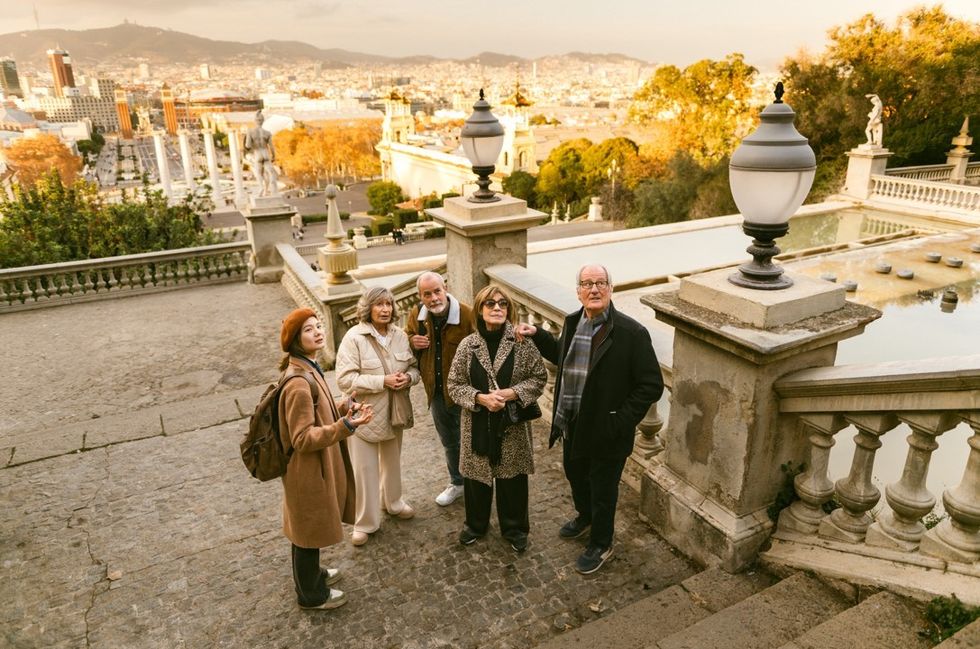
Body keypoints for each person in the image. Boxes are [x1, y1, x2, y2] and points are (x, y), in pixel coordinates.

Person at [517, 265, 663, 574]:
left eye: (600, 283)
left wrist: (619, 420)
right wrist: (538, 334)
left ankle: (602, 542)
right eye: (587, 284)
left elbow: (651, 384)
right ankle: (585, 517)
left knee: (603, 490)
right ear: (578, 291)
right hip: (572, 423)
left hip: (608, 430)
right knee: (575, 475)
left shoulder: (631, 333)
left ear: (611, 289)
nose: (593, 289)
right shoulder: (574, 322)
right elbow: (564, 357)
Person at [277, 307, 373, 610]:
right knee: (307, 531)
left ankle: (313, 576)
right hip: (306, 470)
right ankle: (310, 595)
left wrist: (344, 406)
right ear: (295, 340)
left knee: (308, 527)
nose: (318, 331)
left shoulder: (307, 368)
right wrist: (345, 427)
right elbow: (303, 438)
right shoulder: (298, 384)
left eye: (318, 326)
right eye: (308, 329)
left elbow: (318, 411)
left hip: (313, 467)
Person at [447, 285, 546, 552]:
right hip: (477, 424)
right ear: (480, 309)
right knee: (476, 479)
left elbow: (539, 378)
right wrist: (481, 398)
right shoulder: (469, 345)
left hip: (511, 425)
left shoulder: (522, 342)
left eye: (503, 303)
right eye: (490, 303)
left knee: (512, 477)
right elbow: (454, 385)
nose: (497, 308)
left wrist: (513, 393)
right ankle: (475, 525)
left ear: (509, 309)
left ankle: (514, 528)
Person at [336, 287, 420, 546]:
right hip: (364, 415)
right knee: (365, 470)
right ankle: (365, 523)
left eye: (388, 304)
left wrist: (408, 378)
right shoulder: (354, 338)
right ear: (368, 308)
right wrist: (382, 381)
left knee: (393, 463)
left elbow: (415, 369)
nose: (385, 309)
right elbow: (344, 379)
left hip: (395, 412)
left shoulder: (400, 336)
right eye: (379, 304)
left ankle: (393, 503)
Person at [405, 272, 476, 506]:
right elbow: (406, 339)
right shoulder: (417, 315)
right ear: (420, 296)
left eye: (437, 291)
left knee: (473, 439)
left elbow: (482, 348)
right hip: (436, 391)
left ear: (445, 288)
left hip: (465, 392)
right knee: (449, 441)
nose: (434, 298)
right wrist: (411, 342)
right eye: (427, 294)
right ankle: (457, 482)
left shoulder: (466, 314)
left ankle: (478, 483)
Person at [244, 109, 278, 196]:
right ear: (263, 121)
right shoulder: (267, 133)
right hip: (266, 153)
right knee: (270, 172)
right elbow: (271, 147)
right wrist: (273, 156)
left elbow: (248, 145)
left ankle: (262, 188)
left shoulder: (250, 131)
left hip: (257, 153)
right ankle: (272, 186)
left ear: (255, 121)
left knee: (259, 173)